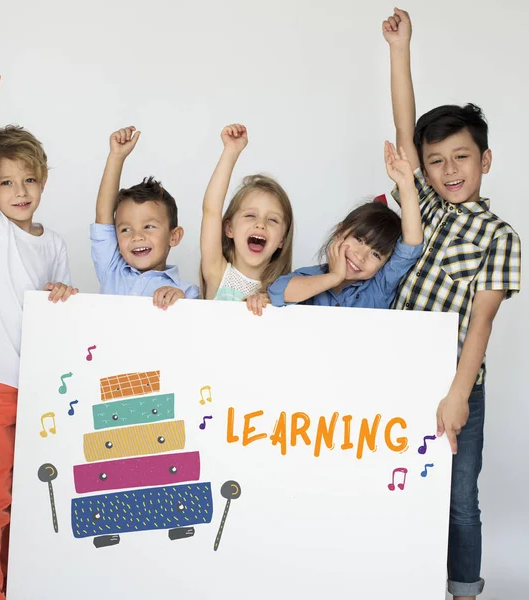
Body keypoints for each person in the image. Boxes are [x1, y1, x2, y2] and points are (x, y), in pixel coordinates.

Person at [383, 9, 521, 598]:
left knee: (459, 499)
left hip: (457, 386)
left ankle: (463, 588)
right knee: (392, 482)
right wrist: (400, 49)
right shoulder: (429, 207)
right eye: (436, 161)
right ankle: (394, 577)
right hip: (394, 373)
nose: (448, 170)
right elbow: (404, 124)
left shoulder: (500, 237)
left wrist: (458, 396)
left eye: (461, 157)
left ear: (484, 161)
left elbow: (482, 322)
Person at [0, 66, 76, 600]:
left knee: (26, 499)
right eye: (7, 182)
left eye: (29, 179)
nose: (19, 190)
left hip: (33, 391)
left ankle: (17, 586)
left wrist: (63, 297)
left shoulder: (53, 244)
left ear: (43, 181)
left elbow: (61, 314)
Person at [268, 141, 423, 308]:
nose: (361, 255)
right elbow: (278, 291)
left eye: (376, 255)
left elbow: (411, 246)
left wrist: (406, 185)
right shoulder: (308, 276)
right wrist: (334, 276)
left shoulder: (379, 288)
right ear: (340, 231)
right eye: (359, 240)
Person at [91, 126, 198, 307]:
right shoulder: (112, 270)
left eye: (148, 226)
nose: (137, 236)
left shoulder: (186, 291)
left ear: (174, 236)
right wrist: (116, 157)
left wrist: (181, 303)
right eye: (125, 229)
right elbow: (103, 215)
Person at [200, 123, 294, 315]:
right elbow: (211, 210)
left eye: (273, 220)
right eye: (250, 215)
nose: (260, 224)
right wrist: (231, 151)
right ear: (229, 229)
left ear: (282, 240)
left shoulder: (283, 291)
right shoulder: (218, 273)